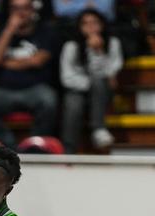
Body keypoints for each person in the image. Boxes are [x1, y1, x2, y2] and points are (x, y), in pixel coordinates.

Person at [0, 0, 59, 149]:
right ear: (9, 11)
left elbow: (38, 61)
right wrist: (10, 30)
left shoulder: (45, 31)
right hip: (4, 91)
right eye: (15, 8)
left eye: (25, 8)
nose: (21, 13)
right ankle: (9, 144)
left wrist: (6, 62)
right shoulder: (0, 32)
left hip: (35, 89)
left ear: (33, 10)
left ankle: (34, 148)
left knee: (49, 101)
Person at [59, 9, 122, 153]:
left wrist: (98, 51)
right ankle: (68, 150)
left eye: (94, 22)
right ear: (79, 27)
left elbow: (111, 73)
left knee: (99, 80)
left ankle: (99, 129)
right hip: (78, 90)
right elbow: (67, 78)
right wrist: (90, 84)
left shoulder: (113, 43)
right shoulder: (71, 46)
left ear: (102, 24)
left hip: (103, 91)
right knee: (73, 104)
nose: (90, 27)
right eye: (85, 23)